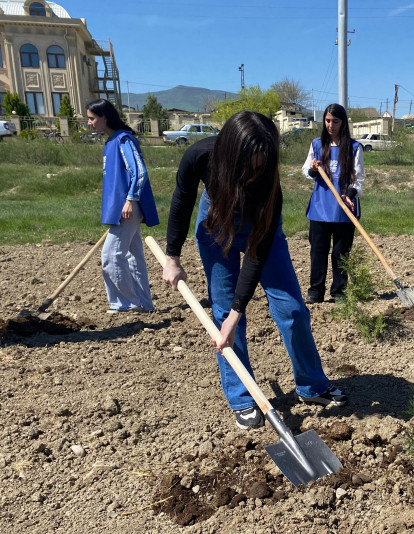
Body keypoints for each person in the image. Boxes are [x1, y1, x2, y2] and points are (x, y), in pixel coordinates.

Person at [161, 111, 347, 431]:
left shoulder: (269, 188)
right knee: (224, 315)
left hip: (261, 230)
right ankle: (242, 396)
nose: (253, 176)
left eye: (261, 167)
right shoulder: (200, 156)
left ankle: (311, 385)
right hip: (215, 226)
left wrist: (238, 310)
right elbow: (182, 199)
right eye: (248, 167)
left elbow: (257, 254)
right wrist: (173, 256)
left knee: (293, 309)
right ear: (231, 155)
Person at [86, 98, 159, 314]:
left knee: (111, 255)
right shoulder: (111, 142)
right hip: (122, 207)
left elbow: (139, 172)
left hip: (128, 207)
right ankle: (144, 303)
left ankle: (126, 303)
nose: (89, 123)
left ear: (105, 117)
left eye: (92, 118)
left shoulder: (124, 140)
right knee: (132, 256)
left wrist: (130, 200)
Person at [301, 103, 365, 303]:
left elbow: (359, 178)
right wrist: (312, 168)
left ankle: (339, 291)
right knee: (318, 251)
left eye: (335, 121)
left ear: (343, 123)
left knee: (340, 253)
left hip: (344, 208)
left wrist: (351, 192)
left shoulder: (354, 147)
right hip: (320, 207)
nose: (331, 125)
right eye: (328, 121)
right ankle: (315, 291)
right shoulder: (317, 145)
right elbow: (306, 171)